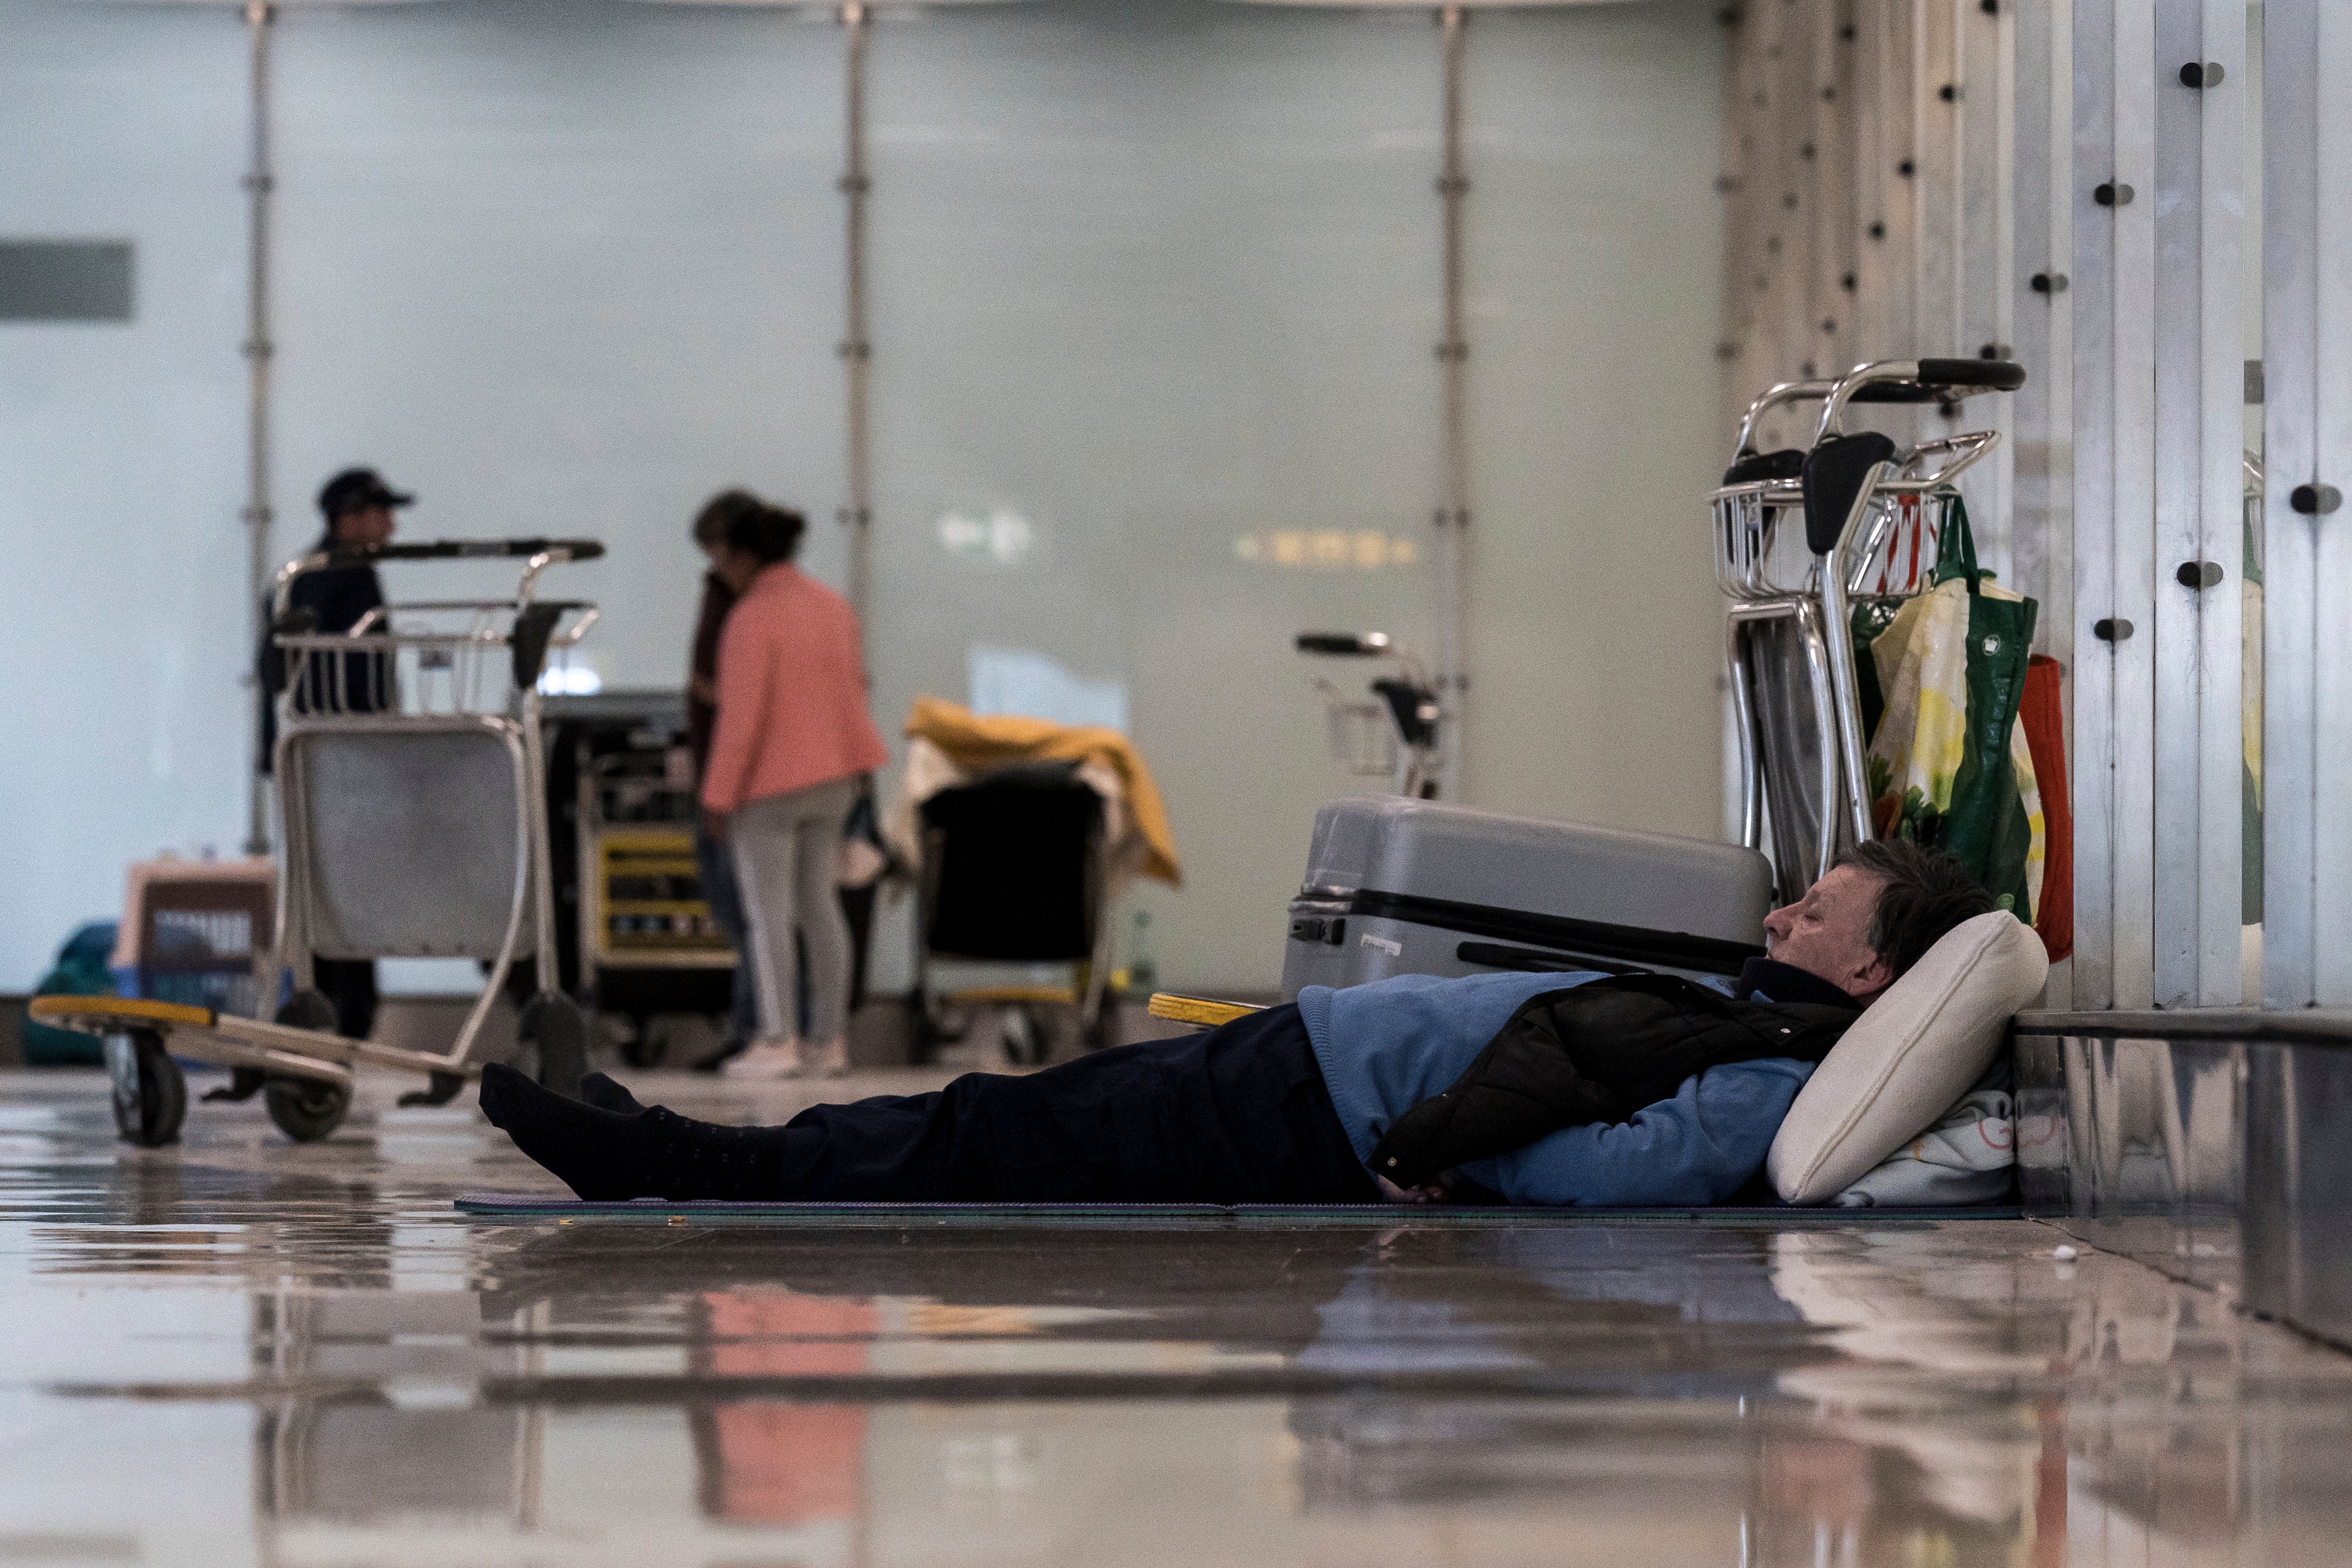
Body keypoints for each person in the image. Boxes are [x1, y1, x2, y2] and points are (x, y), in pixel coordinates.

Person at [482, 840, 2000, 1206]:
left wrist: (1437, 1147)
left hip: (1312, 1115)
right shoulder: (1744, 1014)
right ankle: (675, 1141)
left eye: (1817, 915)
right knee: (983, 1125)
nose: (1781, 917)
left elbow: (1616, 1167)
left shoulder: (1762, 1078)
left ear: (1873, 974)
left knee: (982, 1136)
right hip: (1302, 1069)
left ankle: (662, 1159)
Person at [697, 500, 890, 1080]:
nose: (718, 569)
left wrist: (717, 795)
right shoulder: (833, 606)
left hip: (769, 787)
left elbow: (741, 719)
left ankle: (777, 1038)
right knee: (821, 908)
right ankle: (830, 1042)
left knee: (768, 915)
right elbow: (854, 692)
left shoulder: (750, 618)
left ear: (744, 556)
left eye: (721, 558)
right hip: (835, 779)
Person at [270, 466, 414, 1041]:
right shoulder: (334, 578)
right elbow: (312, 673)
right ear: (348, 518)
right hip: (340, 759)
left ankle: (338, 1010)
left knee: (334, 885)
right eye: (382, 513)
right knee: (341, 888)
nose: (392, 525)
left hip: (330, 757)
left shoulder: (312, 575)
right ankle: (342, 1011)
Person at [682, 490, 767, 1069]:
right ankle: (760, 1024)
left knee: (749, 910)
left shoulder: (751, 603)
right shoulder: (728, 594)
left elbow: (740, 705)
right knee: (748, 911)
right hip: (727, 767)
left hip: (741, 775)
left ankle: (759, 1027)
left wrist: (718, 792)